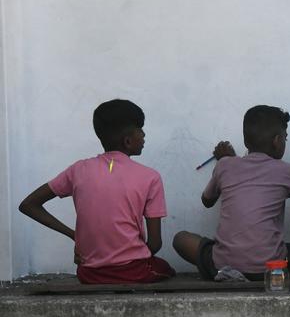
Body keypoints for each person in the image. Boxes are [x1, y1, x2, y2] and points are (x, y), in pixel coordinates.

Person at [19, 99, 175, 284]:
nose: (144, 134)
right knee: (167, 269)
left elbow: (28, 205)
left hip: (88, 273)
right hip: (134, 271)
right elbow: (155, 244)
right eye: (140, 129)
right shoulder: (151, 177)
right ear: (127, 141)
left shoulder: (77, 170)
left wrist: (74, 235)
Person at [172, 105, 290, 280]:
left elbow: (207, 200)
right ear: (277, 141)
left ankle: (231, 270)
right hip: (271, 269)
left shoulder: (225, 165)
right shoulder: (285, 171)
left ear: (245, 141)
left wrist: (226, 161)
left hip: (221, 265)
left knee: (181, 239)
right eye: (285, 139)